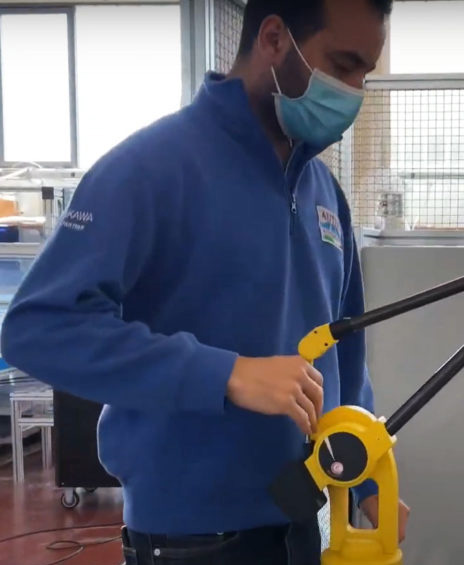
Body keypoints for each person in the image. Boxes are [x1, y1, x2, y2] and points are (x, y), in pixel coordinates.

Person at [0, 0, 409, 563]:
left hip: (302, 529)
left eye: (365, 72)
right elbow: (37, 329)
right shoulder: (150, 170)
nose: (354, 92)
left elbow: (344, 357)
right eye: (342, 65)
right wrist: (225, 374)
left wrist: (364, 479)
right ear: (273, 39)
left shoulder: (323, 192)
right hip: (191, 541)